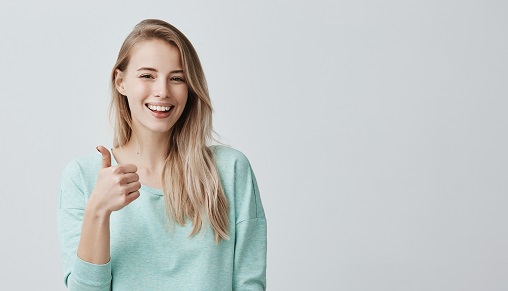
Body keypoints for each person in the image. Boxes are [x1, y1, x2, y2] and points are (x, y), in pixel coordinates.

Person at [56, 19, 267, 290]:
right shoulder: (83, 177)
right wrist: (98, 210)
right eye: (147, 75)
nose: (162, 91)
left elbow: (250, 283)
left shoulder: (230, 170)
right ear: (121, 82)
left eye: (177, 78)